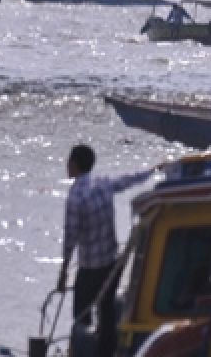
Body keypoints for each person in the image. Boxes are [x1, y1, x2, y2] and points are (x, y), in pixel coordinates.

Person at [58, 145, 159, 357]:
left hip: (89, 268)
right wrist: (152, 170)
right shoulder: (103, 184)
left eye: (69, 161)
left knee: (81, 318)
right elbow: (129, 180)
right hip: (111, 265)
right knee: (107, 313)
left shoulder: (75, 197)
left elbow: (70, 239)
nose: (67, 165)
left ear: (75, 165)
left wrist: (63, 271)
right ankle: (107, 353)